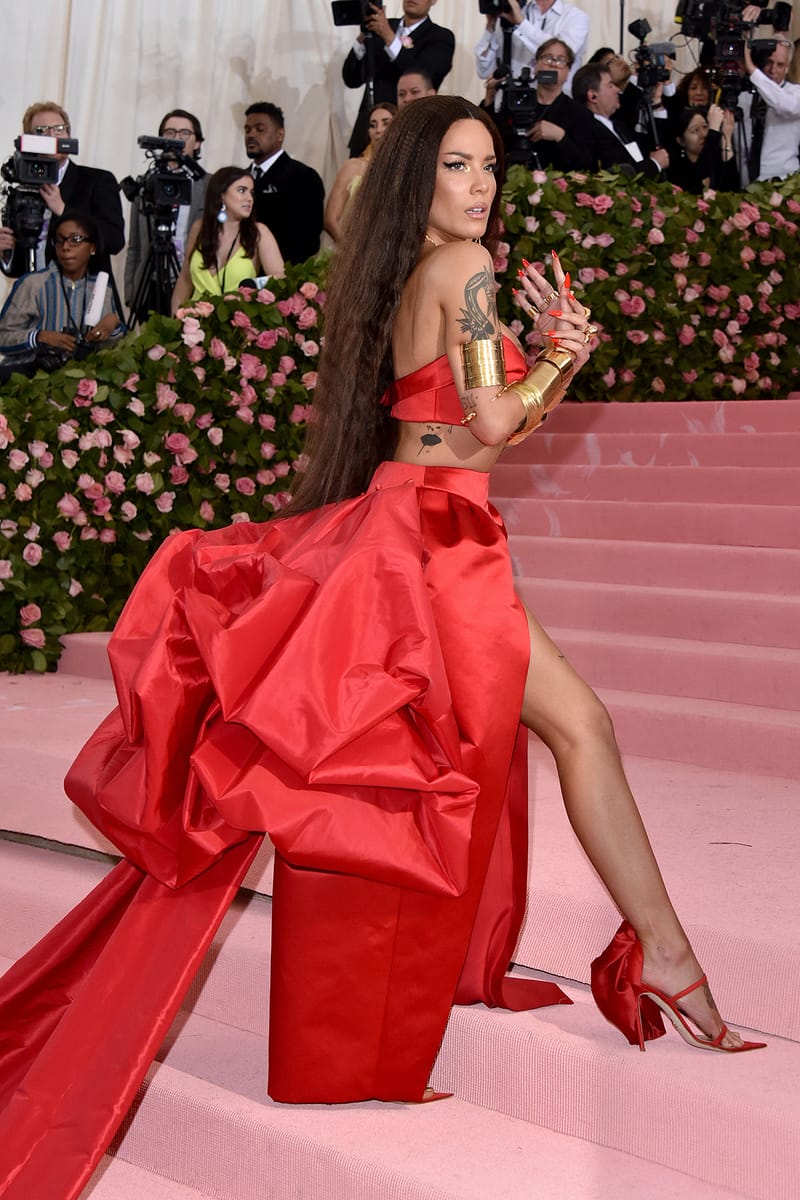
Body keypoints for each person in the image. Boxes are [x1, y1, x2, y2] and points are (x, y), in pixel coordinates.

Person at [0, 95, 764, 1200]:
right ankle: (672, 967)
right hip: (436, 543)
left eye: (489, 167)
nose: (480, 185)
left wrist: (547, 362)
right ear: (420, 179)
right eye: (457, 167)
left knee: (544, 736)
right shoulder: (465, 273)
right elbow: (496, 426)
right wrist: (561, 357)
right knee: (574, 728)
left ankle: (657, 965)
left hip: (422, 521)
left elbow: (460, 428)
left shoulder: (419, 274)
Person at [0, 101, 124, 279]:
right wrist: (6, 253)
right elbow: (18, 269)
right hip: (34, 297)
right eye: (41, 130)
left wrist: (64, 210)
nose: (52, 135)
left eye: (58, 128)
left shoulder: (97, 180)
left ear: (68, 135)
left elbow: (114, 240)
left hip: (84, 295)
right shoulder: (21, 191)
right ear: (28, 140)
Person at [0, 210, 124, 381]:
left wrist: (113, 324)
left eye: (75, 240)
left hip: (81, 384)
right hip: (30, 382)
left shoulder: (102, 289)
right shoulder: (33, 284)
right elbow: (2, 337)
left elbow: (114, 349)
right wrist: (39, 336)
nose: (65, 247)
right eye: (60, 240)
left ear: (93, 247)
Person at [124, 109, 209, 319]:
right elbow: (135, 246)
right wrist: (131, 293)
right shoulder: (147, 184)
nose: (176, 139)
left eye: (184, 133)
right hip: (149, 284)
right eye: (170, 133)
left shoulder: (209, 186)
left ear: (197, 142)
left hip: (191, 284)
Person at [342, 0, 454, 154]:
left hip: (409, 133)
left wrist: (389, 36)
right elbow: (351, 79)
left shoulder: (440, 37)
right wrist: (362, 38)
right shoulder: (380, 26)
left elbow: (425, 75)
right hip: (370, 130)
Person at [171, 166, 283, 313]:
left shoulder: (258, 233)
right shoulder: (199, 228)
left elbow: (281, 281)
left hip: (235, 329)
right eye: (242, 190)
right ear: (221, 195)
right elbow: (185, 280)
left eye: (251, 192)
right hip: (195, 328)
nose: (249, 198)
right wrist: (175, 323)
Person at [243, 102, 325, 264]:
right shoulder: (239, 179)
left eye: (259, 129)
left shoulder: (303, 177)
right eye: (247, 130)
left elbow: (308, 240)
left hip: (281, 279)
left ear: (280, 134)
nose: (251, 135)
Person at [573, 62, 669, 178]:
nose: (617, 90)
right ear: (593, 96)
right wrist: (654, 164)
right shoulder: (586, 130)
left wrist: (656, 102)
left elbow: (651, 148)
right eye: (610, 85)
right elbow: (613, 175)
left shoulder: (619, 126)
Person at [475, 0, 589, 97]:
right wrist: (491, 24)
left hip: (552, 106)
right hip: (509, 104)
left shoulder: (575, 17)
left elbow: (560, 53)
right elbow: (483, 71)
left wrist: (521, 23)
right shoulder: (511, 12)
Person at [324, 102, 396, 241]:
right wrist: (352, 252)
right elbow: (330, 220)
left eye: (386, 123)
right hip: (353, 251)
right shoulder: (353, 166)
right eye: (373, 125)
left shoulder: (405, 169)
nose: (378, 130)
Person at [521, 39, 596, 170]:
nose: (553, 65)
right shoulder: (519, 100)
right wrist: (490, 97)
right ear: (536, 66)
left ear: (568, 72)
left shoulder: (580, 113)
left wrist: (560, 136)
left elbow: (587, 163)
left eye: (560, 60)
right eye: (548, 58)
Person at [737, 36, 800, 183]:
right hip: (746, 185)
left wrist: (752, 70)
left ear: (788, 67)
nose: (773, 70)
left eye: (780, 65)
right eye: (769, 63)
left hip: (784, 182)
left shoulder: (795, 93)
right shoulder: (743, 97)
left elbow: (786, 106)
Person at [668, 105, 739, 193]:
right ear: (681, 141)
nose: (703, 135)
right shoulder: (675, 167)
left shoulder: (714, 156)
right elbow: (697, 178)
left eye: (705, 127)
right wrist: (713, 131)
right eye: (695, 130)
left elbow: (733, 190)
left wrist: (727, 139)